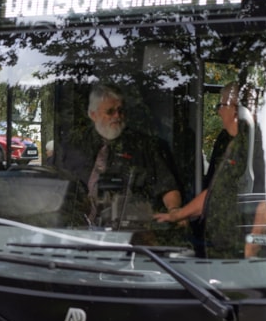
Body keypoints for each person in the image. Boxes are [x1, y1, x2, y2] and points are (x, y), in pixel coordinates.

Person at [154, 83, 266, 258]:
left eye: (221, 105)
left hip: (241, 249)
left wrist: (253, 244)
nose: (219, 112)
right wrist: (178, 215)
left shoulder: (256, 144)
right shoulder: (235, 142)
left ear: (235, 110)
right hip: (223, 244)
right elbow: (215, 190)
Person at [62, 83, 182, 231]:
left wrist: (174, 210)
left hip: (131, 230)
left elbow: (167, 186)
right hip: (78, 230)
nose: (117, 116)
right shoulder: (74, 146)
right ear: (93, 115)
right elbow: (57, 185)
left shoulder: (143, 146)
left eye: (121, 111)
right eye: (110, 111)